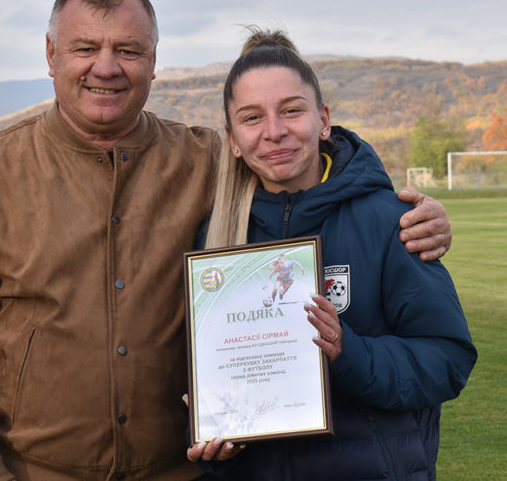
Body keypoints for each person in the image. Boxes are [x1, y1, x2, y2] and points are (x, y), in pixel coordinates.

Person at [0, 0, 455, 481]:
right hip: (37, 470)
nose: (106, 67)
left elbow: (300, 160)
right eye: (85, 48)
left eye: (127, 50)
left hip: (181, 470)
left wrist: (408, 214)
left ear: (153, 61)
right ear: (51, 54)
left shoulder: (208, 161)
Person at [186, 29, 477, 479]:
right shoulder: (216, 238)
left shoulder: (390, 221)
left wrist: (349, 353)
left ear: (323, 120)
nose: (274, 131)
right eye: (252, 117)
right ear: (233, 140)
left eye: (291, 110)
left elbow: (448, 359)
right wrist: (215, 432)